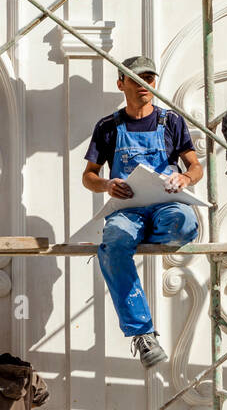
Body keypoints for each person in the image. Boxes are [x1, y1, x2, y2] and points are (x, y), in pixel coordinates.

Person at [82, 55, 204, 369]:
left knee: (184, 221)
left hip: (166, 206)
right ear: (120, 83)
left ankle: (150, 232)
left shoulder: (172, 121)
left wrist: (185, 178)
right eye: (135, 80)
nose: (143, 87)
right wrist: (108, 185)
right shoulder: (108, 127)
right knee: (115, 240)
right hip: (128, 210)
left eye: (148, 80)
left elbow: (195, 166)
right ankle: (142, 333)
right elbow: (89, 175)